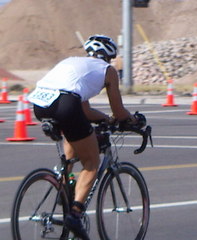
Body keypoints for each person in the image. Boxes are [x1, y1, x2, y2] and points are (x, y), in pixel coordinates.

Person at [28, 34, 139, 240]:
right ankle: (75, 215)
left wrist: (106, 119)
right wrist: (131, 121)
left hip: (40, 104)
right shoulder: (108, 71)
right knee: (91, 161)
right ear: (109, 57)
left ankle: (65, 181)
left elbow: (84, 111)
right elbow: (119, 110)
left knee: (73, 132)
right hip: (65, 104)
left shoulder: (73, 62)